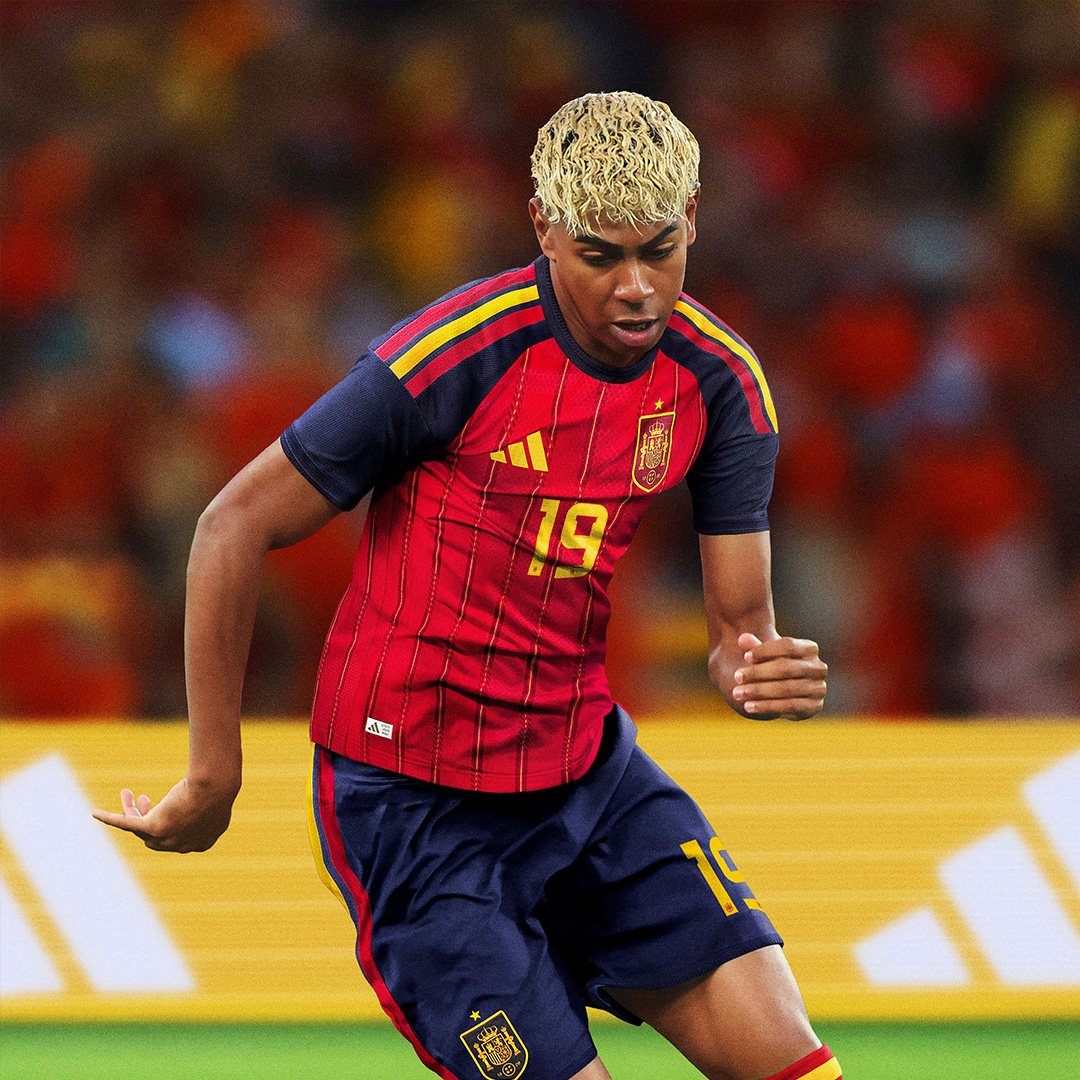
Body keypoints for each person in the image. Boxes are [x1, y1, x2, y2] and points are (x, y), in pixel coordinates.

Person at [95, 92, 837, 1080]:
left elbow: (738, 625)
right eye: (599, 256)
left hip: (588, 778)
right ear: (543, 227)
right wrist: (212, 773)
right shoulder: (454, 355)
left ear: (692, 219)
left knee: (791, 1060)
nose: (636, 290)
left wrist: (754, 667)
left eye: (658, 251)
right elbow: (231, 523)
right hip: (412, 807)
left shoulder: (721, 384)